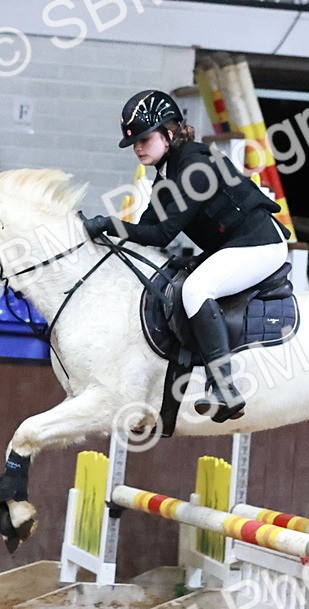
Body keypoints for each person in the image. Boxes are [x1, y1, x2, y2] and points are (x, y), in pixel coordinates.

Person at [84, 90, 288, 423]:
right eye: (134, 142)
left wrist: (108, 224)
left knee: (196, 289)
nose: (138, 147)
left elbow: (163, 234)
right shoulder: (165, 176)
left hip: (260, 244)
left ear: (169, 132)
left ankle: (224, 387)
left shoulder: (194, 166)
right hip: (235, 246)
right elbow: (145, 230)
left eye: (144, 139)